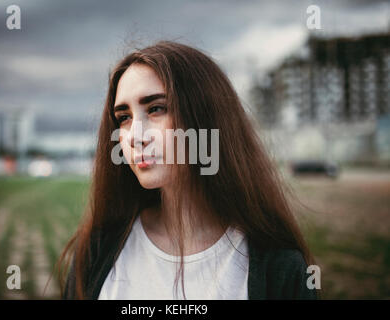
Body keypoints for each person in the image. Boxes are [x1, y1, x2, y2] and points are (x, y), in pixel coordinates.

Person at [58, 40, 318, 300]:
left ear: (206, 117)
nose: (135, 136)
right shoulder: (97, 250)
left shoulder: (279, 268)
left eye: (156, 108)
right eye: (124, 117)